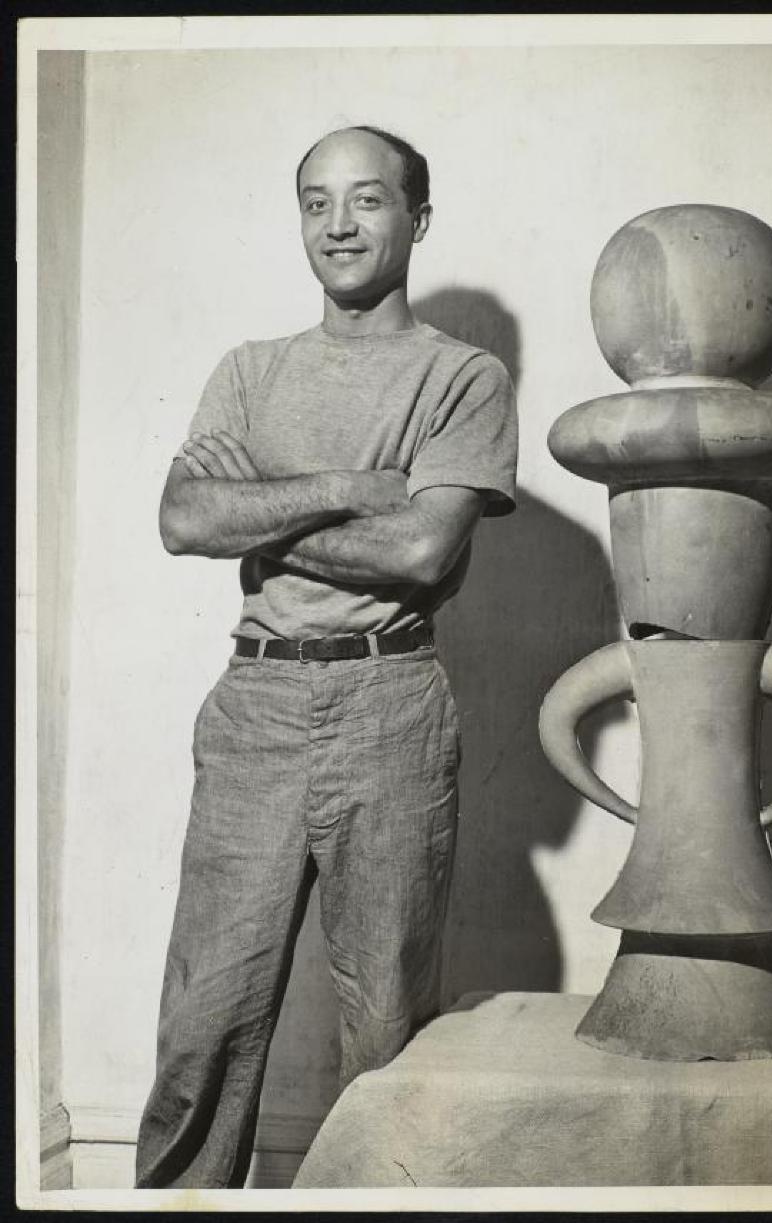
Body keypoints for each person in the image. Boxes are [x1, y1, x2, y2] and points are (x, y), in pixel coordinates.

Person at [134, 125, 518, 1189]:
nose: (337, 225)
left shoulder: (462, 375)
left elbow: (422, 545)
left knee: (385, 1026)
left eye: (366, 200)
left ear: (417, 219)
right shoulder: (249, 371)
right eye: (315, 202)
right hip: (255, 702)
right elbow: (179, 515)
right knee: (203, 1017)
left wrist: (253, 506)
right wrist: (350, 484)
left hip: (392, 700)